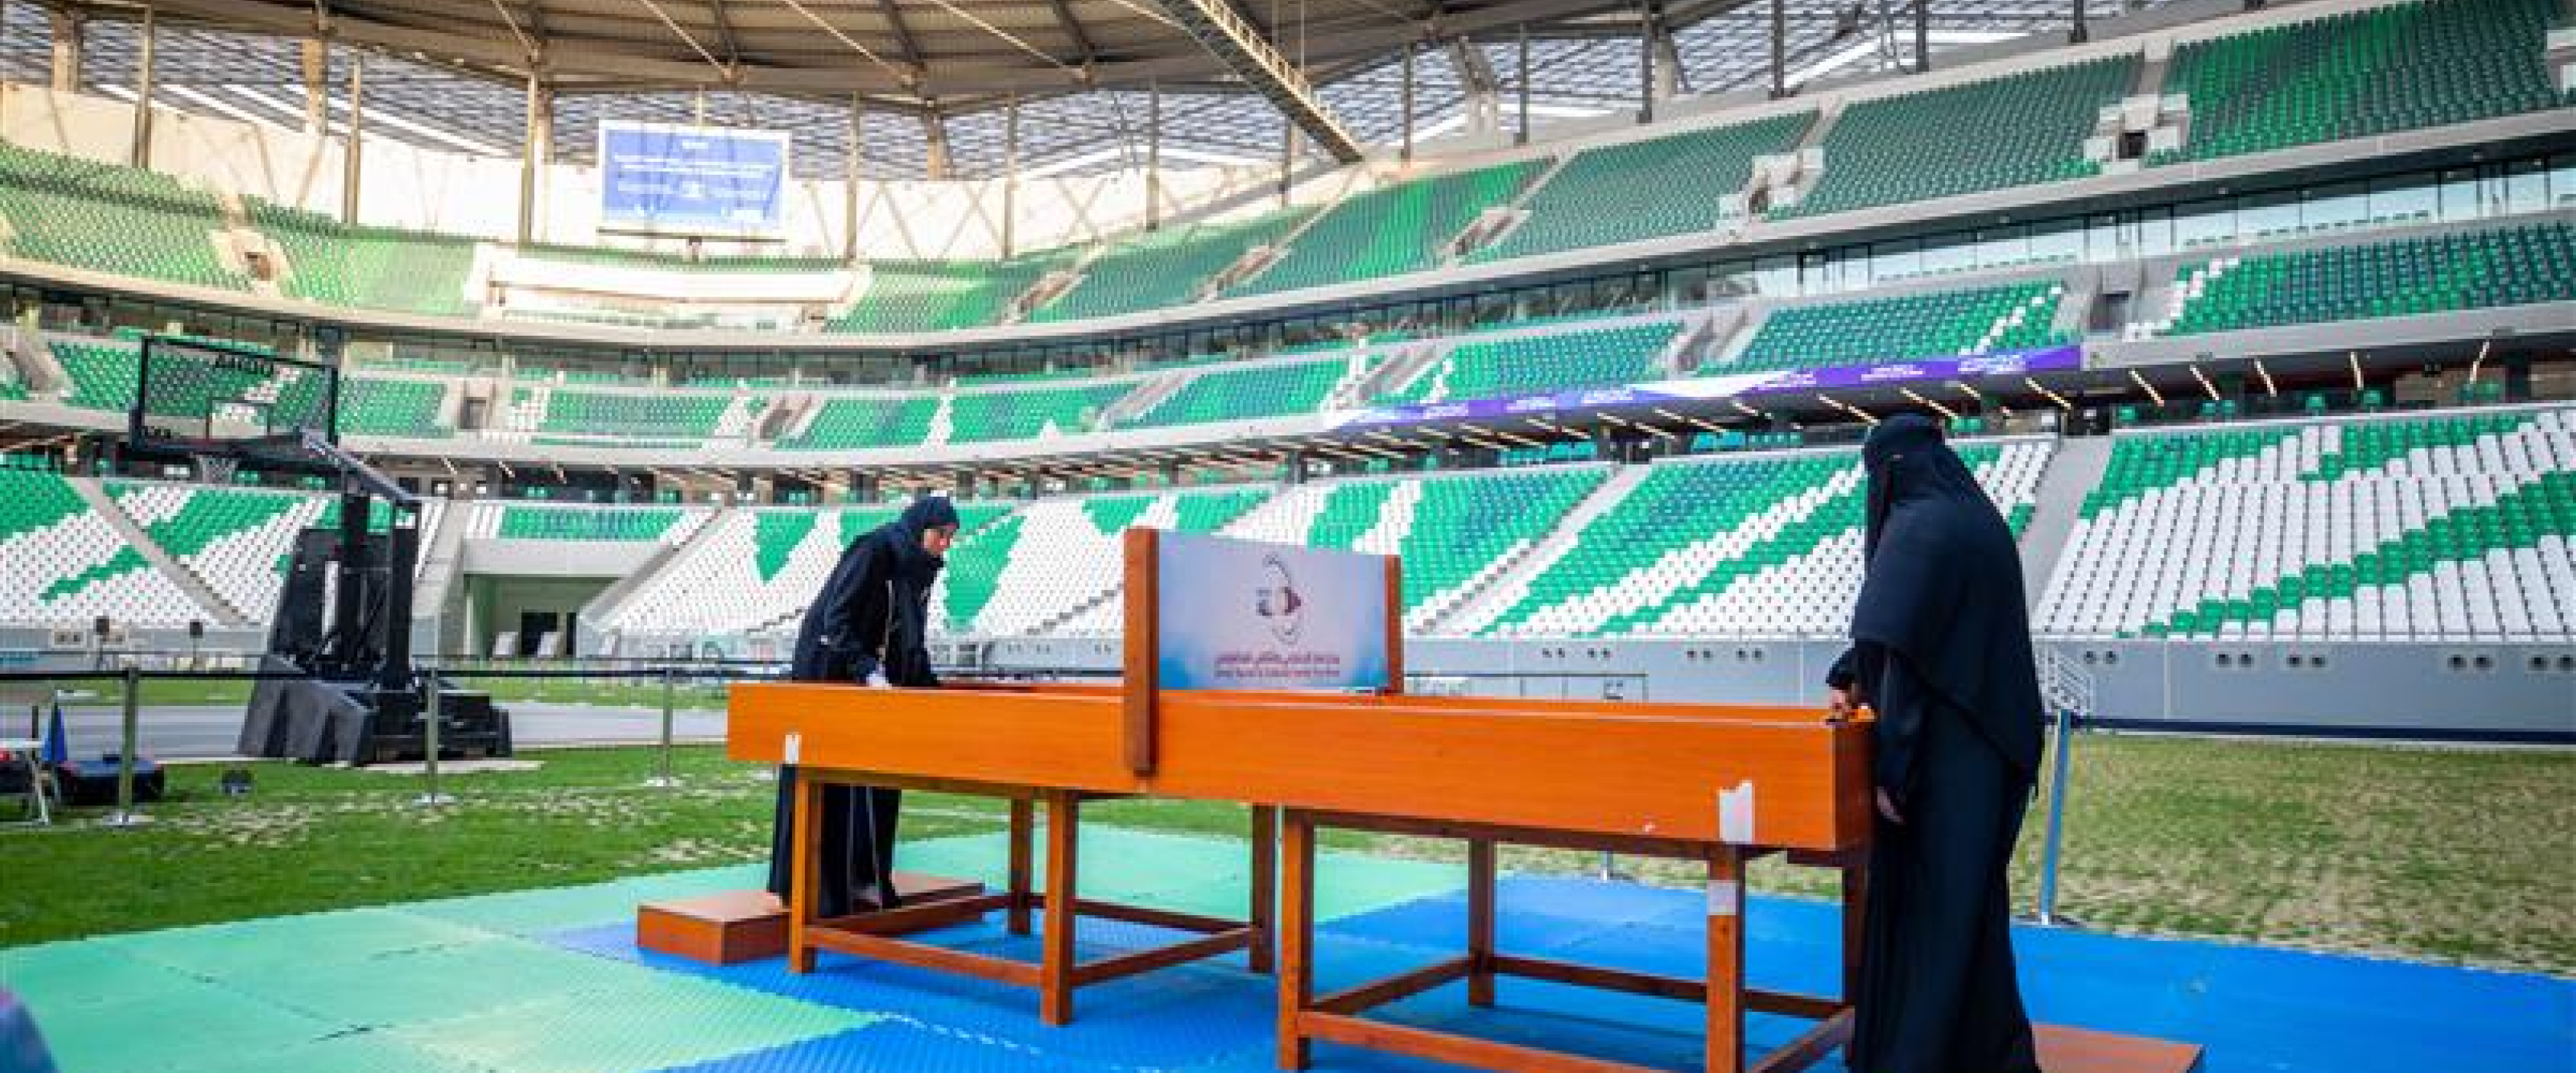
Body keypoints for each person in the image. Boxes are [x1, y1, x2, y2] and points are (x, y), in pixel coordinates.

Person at [1826, 415, 2045, 1073]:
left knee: (1934, 919)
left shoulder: (1917, 529)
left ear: (1888, 473)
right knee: (1972, 912)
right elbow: (1923, 631)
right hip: (1994, 748)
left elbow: (1904, 660)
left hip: (1945, 764)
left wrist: (1894, 773)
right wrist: (1850, 671)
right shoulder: (1972, 519)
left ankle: (1917, 1057)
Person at [766, 495, 959, 917]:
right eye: (941, 534)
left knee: (881, 774)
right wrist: (866, 668)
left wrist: (928, 686)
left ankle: (866, 877)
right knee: (828, 781)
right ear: (919, 528)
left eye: (951, 537)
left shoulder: (920, 569)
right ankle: (813, 887)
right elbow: (837, 619)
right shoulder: (873, 550)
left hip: (871, 678)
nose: (946, 544)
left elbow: (911, 636)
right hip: (828, 669)